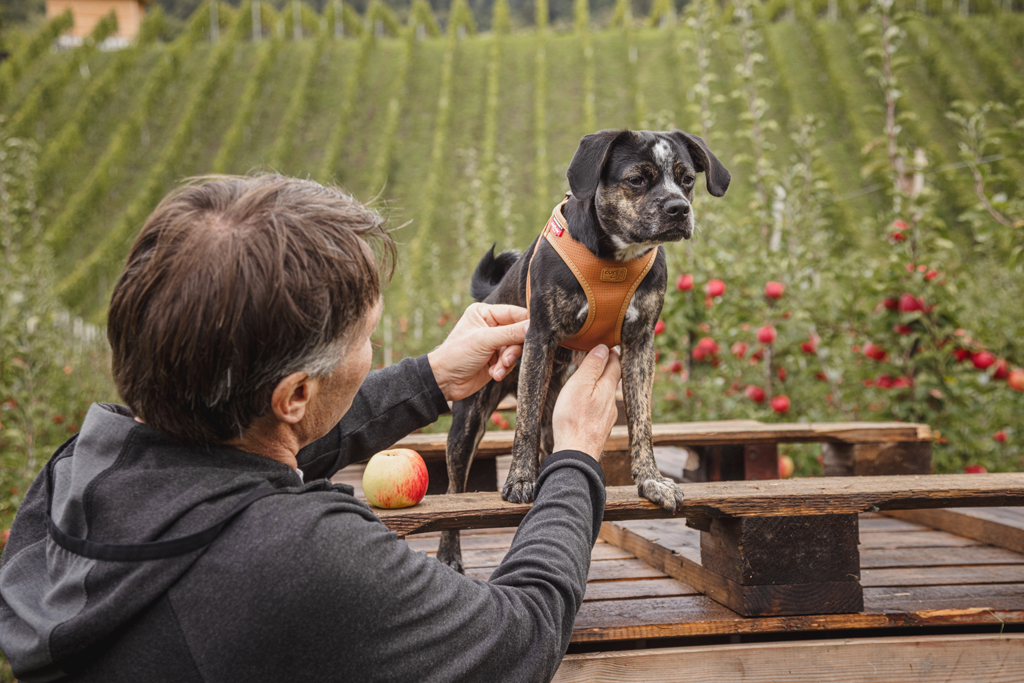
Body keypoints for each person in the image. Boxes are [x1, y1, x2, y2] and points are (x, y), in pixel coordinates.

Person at [0, 175, 622, 682]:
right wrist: (573, 458)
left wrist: (430, 378)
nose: (371, 349)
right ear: (296, 394)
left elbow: (237, 464)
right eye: (366, 337)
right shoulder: (305, 560)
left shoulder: (78, 475)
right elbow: (519, 639)